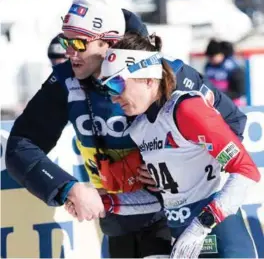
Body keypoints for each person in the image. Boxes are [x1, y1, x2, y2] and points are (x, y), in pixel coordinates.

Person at [6, 0, 247, 258]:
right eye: (64, 40)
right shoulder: (65, 80)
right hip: (116, 222)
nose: (68, 51)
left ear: (109, 42)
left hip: (172, 221)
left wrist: (177, 172)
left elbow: (232, 123)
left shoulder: (160, 73)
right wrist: (67, 188)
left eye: (78, 42)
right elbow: (20, 146)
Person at [98, 33, 261, 258]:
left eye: (117, 84)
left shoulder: (186, 109)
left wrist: (203, 223)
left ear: (148, 78)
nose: (113, 97)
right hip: (185, 242)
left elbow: (246, 171)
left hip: (221, 238)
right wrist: (107, 202)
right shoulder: (139, 128)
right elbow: (166, 199)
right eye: (106, 88)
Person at [204, 39, 246, 106]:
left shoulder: (233, 68)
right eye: (209, 57)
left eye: (213, 56)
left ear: (221, 54)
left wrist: (219, 95)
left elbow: (239, 91)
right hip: (216, 102)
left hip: (233, 104)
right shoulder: (209, 66)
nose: (211, 60)